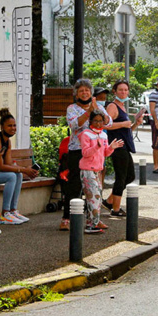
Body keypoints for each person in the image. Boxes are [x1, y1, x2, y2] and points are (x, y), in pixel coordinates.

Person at [60, 78, 113, 231]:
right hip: (77, 151)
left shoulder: (96, 107)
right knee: (74, 185)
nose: (84, 93)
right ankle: (67, 218)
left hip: (96, 151)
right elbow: (74, 125)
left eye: (87, 90)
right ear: (76, 94)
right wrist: (88, 112)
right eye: (81, 91)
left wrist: (97, 109)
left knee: (94, 187)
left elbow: (108, 122)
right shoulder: (72, 108)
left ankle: (94, 219)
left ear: (91, 93)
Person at [104, 80, 144, 217]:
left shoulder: (122, 107)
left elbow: (127, 129)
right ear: (114, 91)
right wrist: (122, 124)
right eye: (121, 90)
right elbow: (106, 125)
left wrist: (135, 124)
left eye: (126, 90)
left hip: (125, 145)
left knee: (130, 176)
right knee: (121, 177)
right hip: (117, 146)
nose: (124, 92)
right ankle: (115, 209)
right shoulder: (112, 106)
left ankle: (110, 200)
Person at [79, 112, 123, 234]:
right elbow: (85, 153)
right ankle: (92, 225)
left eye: (100, 121)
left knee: (97, 197)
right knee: (93, 197)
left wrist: (112, 147)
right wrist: (96, 147)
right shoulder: (86, 134)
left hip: (98, 170)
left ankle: (92, 222)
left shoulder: (103, 134)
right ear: (90, 121)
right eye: (95, 121)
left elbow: (105, 153)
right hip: (88, 170)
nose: (98, 123)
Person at [0, 108, 39, 225]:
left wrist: (26, 171)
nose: (13, 128)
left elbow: (8, 163)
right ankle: (5, 214)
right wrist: (24, 169)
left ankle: (13, 210)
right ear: (2, 127)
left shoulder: (7, 141)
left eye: (14, 125)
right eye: (9, 126)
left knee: (18, 175)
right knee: (11, 176)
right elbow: (0, 167)